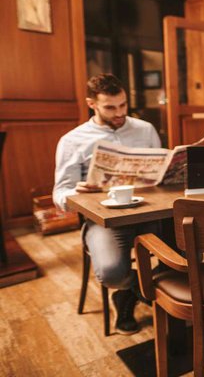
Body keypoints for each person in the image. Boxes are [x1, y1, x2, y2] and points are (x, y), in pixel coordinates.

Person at [54, 73, 161, 334]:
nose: (119, 112)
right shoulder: (73, 141)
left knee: (189, 247)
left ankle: (167, 300)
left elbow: (160, 173)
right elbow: (59, 194)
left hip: (151, 212)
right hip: (107, 220)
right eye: (110, 107)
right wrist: (74, 193)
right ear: (92, 104)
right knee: (112, 271)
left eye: (123, 105)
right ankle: (133, 289)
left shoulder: (144, 129)